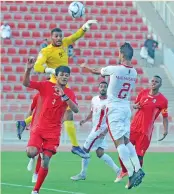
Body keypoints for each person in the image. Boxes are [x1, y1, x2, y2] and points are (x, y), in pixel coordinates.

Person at [16, 20, 97, 158]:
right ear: (51, 37)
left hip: (64, 83)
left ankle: (24, 122)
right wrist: (50, 69)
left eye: (60, 36)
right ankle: (75, 146)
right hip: (54, 83)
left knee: (61, 113)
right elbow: (36, 67)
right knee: (66, 113)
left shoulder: (64, 43)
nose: (59, 38)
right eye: (56, 36)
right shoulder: (46, 51)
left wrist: (85, 27)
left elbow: (74, 37)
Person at [79, 43, 145, 189]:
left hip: (114, 108)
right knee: (127, 141)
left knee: (119, 143)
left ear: (121, 54)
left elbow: (97, 71)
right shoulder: (134, 72)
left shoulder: (115, 69)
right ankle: (138, 169)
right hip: (126, 108)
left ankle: (130, 172)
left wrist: (85, 67)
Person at [22, 57, 79, 194]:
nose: (65, 77)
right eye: (62, 75)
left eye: (67, 75)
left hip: (53, 133)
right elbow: (26, 83)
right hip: (39, 129)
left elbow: (76, 109)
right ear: (56, 76)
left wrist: (64, 96)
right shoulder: (45, 86)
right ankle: (37, 153)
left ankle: (35, 190)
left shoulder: (69, 93)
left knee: (46, 161)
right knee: (31, 153)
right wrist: (28, 69)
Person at [115, 75, 168, 186]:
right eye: (152, 81)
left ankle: (134, 178)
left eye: (156, 81)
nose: (153, 83)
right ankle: (124, 171)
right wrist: (135, 106)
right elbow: (135, 104)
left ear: (160, 84)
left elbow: (165, 116)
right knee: (122, 149)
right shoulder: (142, 93)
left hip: (145, 132)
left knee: (139, 156)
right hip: (133, 128)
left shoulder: (163, 101)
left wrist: (165, 130)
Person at [71, 81, 121, 181]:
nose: (103, 88)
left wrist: (106, 131)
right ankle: (118, 171)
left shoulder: (110, 102)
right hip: (95, 129)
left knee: (84, 151)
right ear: (98, 88)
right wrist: (85, 120)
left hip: (100, 130)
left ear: (107, 89)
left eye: (105, 87)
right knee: (100, 153)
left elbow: (112, 118)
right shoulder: (94, 99)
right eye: (101, 86)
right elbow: (92, 112)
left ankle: (83, 174)